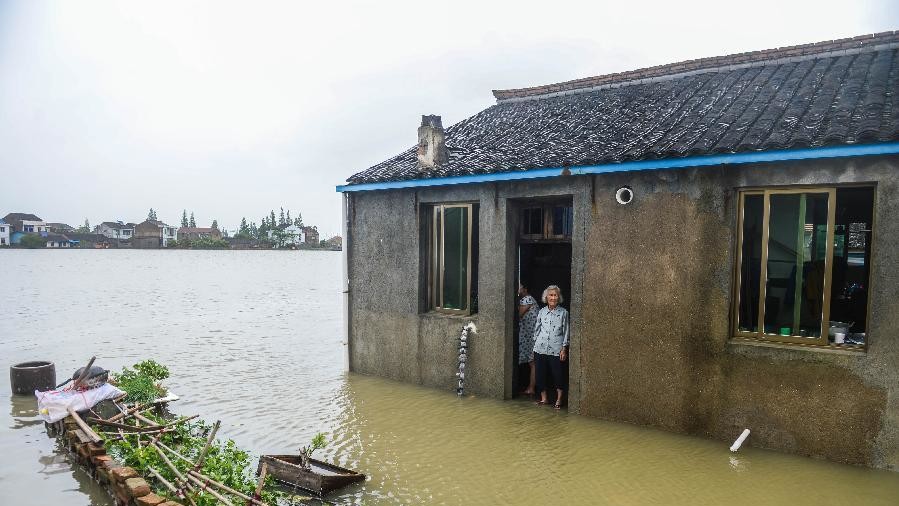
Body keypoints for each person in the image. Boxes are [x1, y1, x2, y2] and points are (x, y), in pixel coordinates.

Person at [532, 285, 569, 410]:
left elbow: (566, 332)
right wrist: (534, 345)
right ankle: (544, 398)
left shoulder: (563, 313)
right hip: (540, 348)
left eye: (555, 295)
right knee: (540, 374)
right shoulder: (542, 312)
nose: (553, 297)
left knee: (558, 374)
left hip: (556, 348)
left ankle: (559, 399)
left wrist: (564, 348)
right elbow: (537, 330)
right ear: (546, 297)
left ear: (558, 297)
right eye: (551, 295)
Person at [517, 282, 539, 395]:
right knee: (532, 362)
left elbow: (518, 315)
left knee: (532, 363)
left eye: (519, 287)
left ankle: (531, 388)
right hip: (529, 336)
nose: (517, 289)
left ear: (525, 289)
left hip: (532, 336)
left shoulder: (527, 299)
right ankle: (530, 387)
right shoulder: (527, 299)